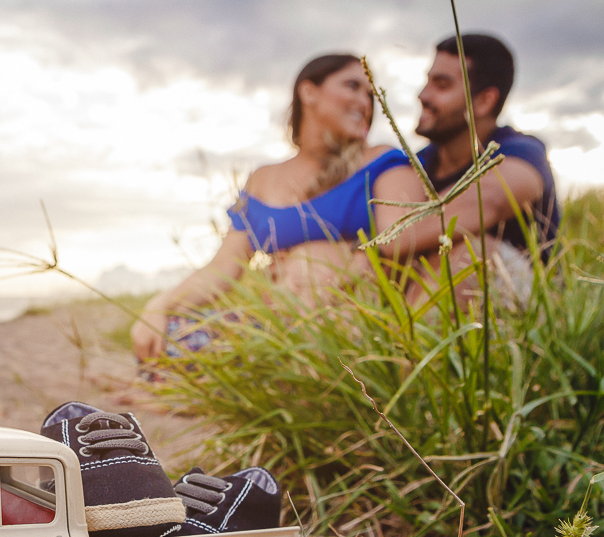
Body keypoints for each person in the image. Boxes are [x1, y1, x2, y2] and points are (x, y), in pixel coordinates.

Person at [131, 53, 425, 362]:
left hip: (354, 321)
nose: (365, 102)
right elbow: (222, 269)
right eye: (352, 86)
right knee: (168, 338)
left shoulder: (384, 162)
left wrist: (343, 261)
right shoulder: (262, 179)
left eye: (370, 93)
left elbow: (408, 240)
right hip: (278, 325)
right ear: (309, 92)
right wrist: (159, 305)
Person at [373, 34, 560, 306]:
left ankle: (401, 344)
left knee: (474, 252)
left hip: (527, 315)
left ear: (484, 101)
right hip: (436, 302)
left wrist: (385, 242)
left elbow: (490, 201)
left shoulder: (521, 153)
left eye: (442, 85)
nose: (423, 95)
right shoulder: (419, 164)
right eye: (427, 81)